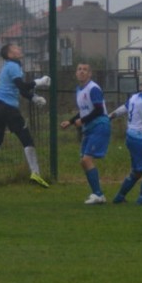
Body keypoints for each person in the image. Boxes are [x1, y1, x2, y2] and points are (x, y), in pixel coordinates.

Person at [0, 43, 50, 188]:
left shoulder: (9, 66)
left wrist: (34, 98)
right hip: (8, 107)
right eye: (16, 48)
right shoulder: (13, 66)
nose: (19, 48)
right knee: (27, 139)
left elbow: (20, 90)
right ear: (10, 54)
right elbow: (22, 86)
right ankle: (36, 173)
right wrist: (39, 81)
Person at [61, 63, 111, 204]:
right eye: (79, 69)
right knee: (83, 161)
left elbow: (99, 110)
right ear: (76, 73)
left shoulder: (93, 88)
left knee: (86, 160)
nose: (82, 72)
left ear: (90, 74)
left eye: (85, 70)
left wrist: (82, 121)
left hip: (100, 126)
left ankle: (98, 195)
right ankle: (97, 194)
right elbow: (84, 111)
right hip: (90, 128)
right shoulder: (79, 90)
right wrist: (70, 122)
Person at [109, 75, 142, 206]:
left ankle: (119, 197)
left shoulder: (134, 97)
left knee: (138, 171)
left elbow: (123, 109)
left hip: (131, 137)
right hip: (140, 139)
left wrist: (110, 116)